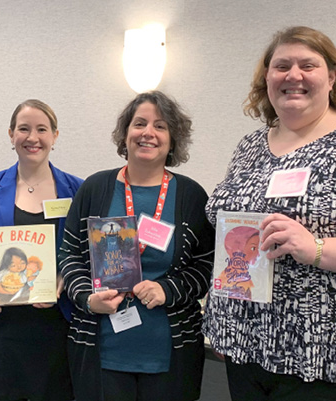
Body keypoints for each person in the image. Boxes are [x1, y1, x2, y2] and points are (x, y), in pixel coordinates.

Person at [203, 26, 336, 400]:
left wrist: (316, 247)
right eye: (281, 65)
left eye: (308, 65)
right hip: (246, 350)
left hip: (328, 357)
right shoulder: (251, 146)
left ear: (332, 77)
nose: (293, 75)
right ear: (267, 77)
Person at [59, 91, 215, 401]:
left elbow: (206, 265)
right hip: (100, 346)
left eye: (160, 126)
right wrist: (89, 299)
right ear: (126, 133)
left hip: (170, 348)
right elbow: (70, 254)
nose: (148, 133)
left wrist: (167, 289)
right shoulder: (95, 188)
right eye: (139, 123)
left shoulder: (191, 195)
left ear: (173, 139)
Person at [0, 99, 82, 401]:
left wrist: (66, 279)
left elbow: (84, 254)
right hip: (2, 324)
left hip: (57, 322)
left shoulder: (77, 190)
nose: (33, 137)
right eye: (24, 129)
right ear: (11, 134)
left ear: (55, 136)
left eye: (42, 129)